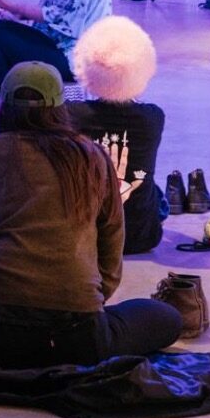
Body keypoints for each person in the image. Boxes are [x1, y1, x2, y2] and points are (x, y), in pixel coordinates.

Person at [0, 61, 184, 368]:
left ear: (4, 106)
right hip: (77, 337)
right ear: (59, 107)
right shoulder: (92, 157)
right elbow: (112, 246)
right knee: (167, 318)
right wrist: (90, 302)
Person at [66, 15, 167, 255]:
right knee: (155, 190)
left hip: (85, 236)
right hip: (142, 235)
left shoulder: (71, 115)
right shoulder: (153, 118)